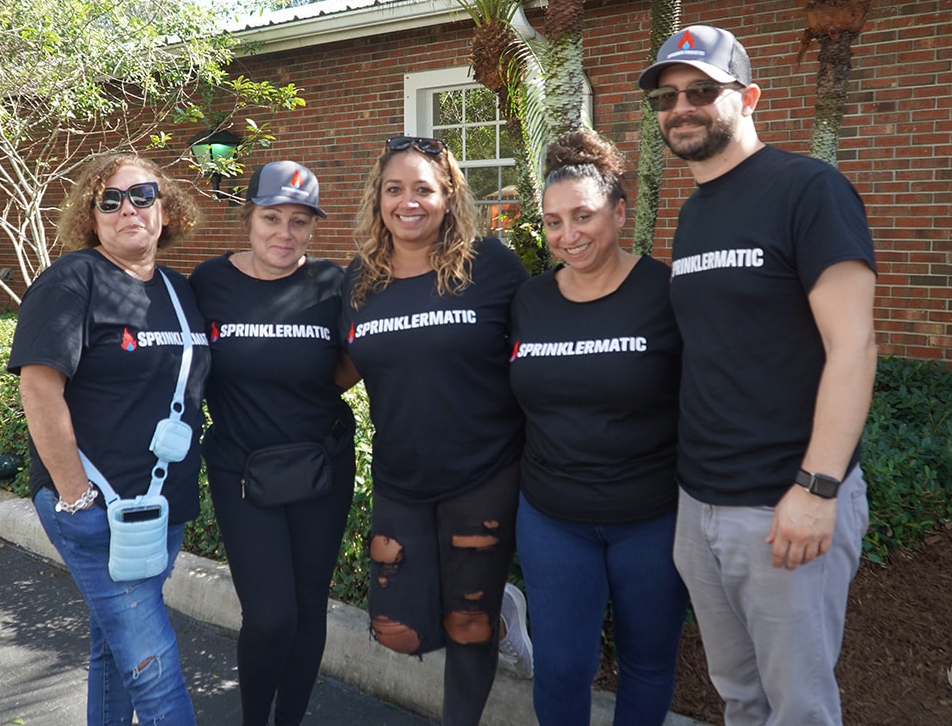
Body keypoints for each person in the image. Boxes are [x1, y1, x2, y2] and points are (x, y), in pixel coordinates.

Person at [637, 24, 877, 724]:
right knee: (740, 697)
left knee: (798, 707)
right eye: (667, 97)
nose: (681, 107)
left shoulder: (808, 190)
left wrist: (818, 487)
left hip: (783, 502)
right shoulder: (694, 214)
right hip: (701, 504)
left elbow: (854, 346)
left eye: (701, 91)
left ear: (748, 98)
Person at [8, 153, 210, 726]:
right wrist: (77, 498)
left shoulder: (179, 291)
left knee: (115, 649)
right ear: (90, 215)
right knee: (154, 669)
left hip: (161, 507)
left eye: (143, 196)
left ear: (166, 209)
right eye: (111, 200)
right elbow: (40, 390)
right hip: (96, 507)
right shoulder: (72, 281)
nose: (129, 210)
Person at [339, 135, 533, 726]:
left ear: (448, 196)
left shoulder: (490, 265)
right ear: (378, 199)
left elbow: (538, 351)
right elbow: (340, 366)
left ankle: (484, 632)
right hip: (402, 476)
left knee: (466, 624)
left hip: (485, 471)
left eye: (423, 189)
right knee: (396, 630)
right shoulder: (359, 281)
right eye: (394, 189)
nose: (408, 202)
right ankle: (504, 607)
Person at [508, 129, 689, 726]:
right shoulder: (529, 301)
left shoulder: (667, 292)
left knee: (647, 659)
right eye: (553, 222)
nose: (569, 235)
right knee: (562, 666)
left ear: (619, 212)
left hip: (652, 516)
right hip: (553, 516)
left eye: (583, 216)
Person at [188, 161, 356, 726]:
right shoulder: (209, 283)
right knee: (270, 616)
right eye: (272, 218)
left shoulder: (333, 284)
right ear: (248, 218)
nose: (285, 233)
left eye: (299, 221)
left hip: (320, 466)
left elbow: (353, 360)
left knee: (308, 610)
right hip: (241, 470)